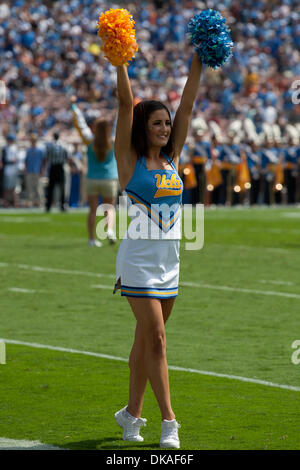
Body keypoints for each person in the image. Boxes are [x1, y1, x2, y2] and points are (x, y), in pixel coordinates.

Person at [112, 51, 202, 449]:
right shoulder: (129, 162)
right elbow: (122, 105)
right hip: (138, 264)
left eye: (167, 123)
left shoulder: (173, 159)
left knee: (145, 343)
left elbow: (188, 104)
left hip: (170, 263)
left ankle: (130, 414)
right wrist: (119, 61)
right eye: (157, 123)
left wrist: (200, 57)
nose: (165, 128)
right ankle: (169, 423)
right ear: (143, 128)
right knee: (159, 340)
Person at [71, 97, 118, 246]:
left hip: (91, 179)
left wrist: (74, 107)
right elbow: (120, 125)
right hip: (109, 179)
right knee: (109, 208)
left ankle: (92, 239)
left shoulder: (89, 141)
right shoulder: (113, 141)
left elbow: (80, 124)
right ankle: (109, 230)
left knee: (92, 210)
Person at [43, 132, 71, 212]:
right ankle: (62, 205)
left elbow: (46, 157)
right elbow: (68, 156)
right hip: (60, 167)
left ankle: (48, 206)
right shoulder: (63, 145)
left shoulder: (49, 145)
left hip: (52, 167)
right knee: (62, 187)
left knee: (50, 188)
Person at [24, 133, 45, 207]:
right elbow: (26, 161)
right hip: (30, 170)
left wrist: (42, 170)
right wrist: (25, 169)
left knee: (39, 188)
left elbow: (43, 161)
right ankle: (30, 202)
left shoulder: (40, 150)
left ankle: (41, 203)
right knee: (29, 188)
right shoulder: (28, 150)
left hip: (37, 171)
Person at [1, 134, 19, 207]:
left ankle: (15, 203)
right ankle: (6, 202)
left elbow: (17, 159)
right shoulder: (5, 149)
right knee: (6, 188)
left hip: (14, 170)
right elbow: (4, 160)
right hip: (7, 170)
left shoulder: (15, 148)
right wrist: (11, 161)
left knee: (13, 187)